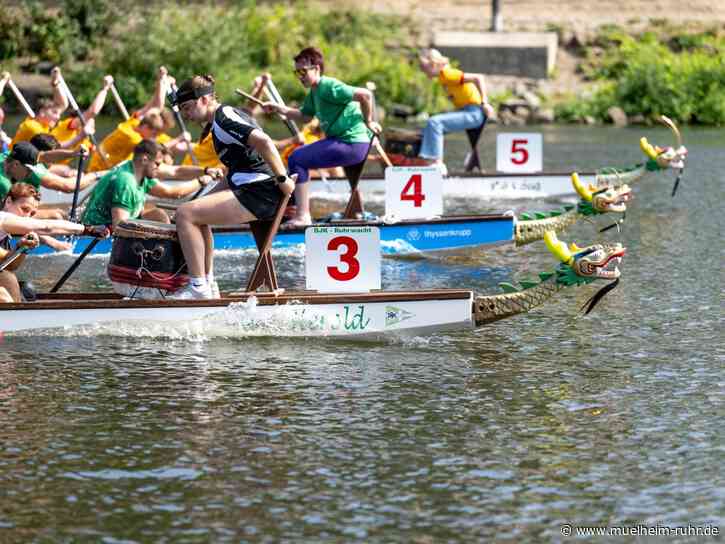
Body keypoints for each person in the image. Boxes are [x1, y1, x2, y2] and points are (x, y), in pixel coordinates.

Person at [171, 74, 295, 299]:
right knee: (194, 212)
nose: (186, 115)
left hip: (261, 193)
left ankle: (198, 288)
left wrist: (283, 178)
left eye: (187, 108)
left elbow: (264, 142)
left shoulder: (224, 118)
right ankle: (207, 285)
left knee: (185, 214)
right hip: (253, 189)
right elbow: (238, 169)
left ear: (205, 99)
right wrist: (201, 200)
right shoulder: (218, 122)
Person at [262, 46, 381, 226]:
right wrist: (280, 109)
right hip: (343, 142)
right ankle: (354, 213)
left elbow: (365, 95)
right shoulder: (315, 92)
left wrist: (369, 121)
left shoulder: (328, 85)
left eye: (303, 71)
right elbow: (304, 116)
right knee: (298, 158)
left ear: (316, 68)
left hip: (351, 143)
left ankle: (302, 216)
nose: (300, 76)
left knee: (297, 158)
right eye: (297, 72)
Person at [0, 183, 105, 302]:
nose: (27, 217)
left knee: (13, 280)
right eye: (24, 209)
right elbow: (47, 227)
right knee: (4, 296)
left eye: (32, 213)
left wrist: (22, 247)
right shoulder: (2, 218)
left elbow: (10, 265)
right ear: (8, 201)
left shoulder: (5, 234)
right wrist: (87, 229)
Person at [81, 139, 218, 227]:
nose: (160, 168)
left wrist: (205, 170)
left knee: (158, 215)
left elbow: (176, 172)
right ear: (145, 159)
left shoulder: (139, 172)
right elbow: (119, 227)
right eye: (157, 164)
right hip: (98, 229)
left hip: (117, 222)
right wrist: (200, 181)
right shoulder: (126, 182)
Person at [415, 48, 495, 174]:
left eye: (423, 67)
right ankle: (425, 162)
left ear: (433, 64)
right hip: (467, 111)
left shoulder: (447, 74)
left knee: (435, 122)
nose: (422, 70)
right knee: (428, 127)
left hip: (474, 114)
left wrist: (485, 103)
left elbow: (478, 78)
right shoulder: (443, 78)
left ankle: (437, 164)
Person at [9, 67, 69, 147]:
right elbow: (55, 147)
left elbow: (63, 104)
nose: (58, 117)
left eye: (58, 114)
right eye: (54, 113)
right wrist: (81, 136)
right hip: (8, 158)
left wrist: (55, 84)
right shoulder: (33, 127)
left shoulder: (45, 124)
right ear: (42, 112)